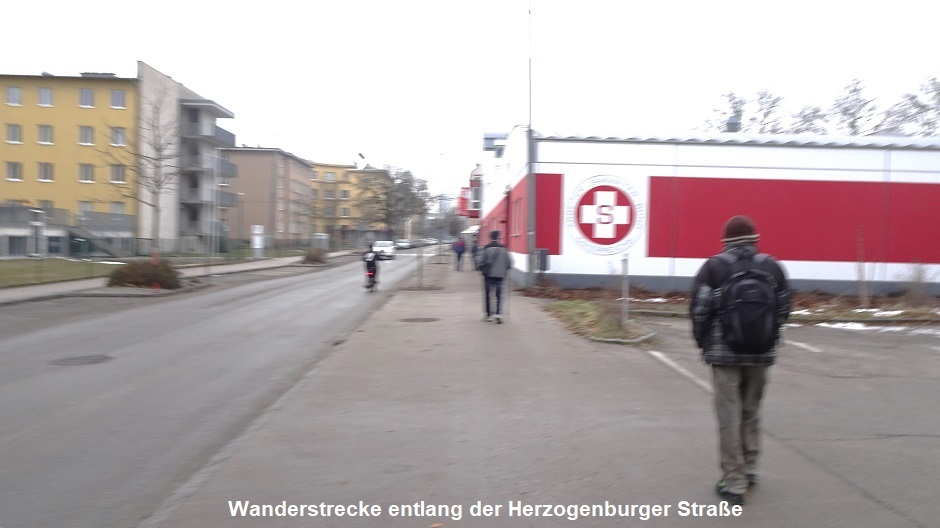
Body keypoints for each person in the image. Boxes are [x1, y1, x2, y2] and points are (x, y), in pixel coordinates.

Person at [690, 215, 790, 506]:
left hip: (724, 355)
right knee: (751, 412)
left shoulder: (714, 267)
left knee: (729, 417)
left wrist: (704, 342)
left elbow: (700, 310)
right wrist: (765, 336)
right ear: (755, 238)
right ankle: (750, 469)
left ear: (725, 240)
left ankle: (733, 483)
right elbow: (784, 309)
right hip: (761, 354)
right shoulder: (772, 267)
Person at [477, 230, 513, 323]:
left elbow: (480, 261)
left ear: (490, 237)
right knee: (499, 295)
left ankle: (488, 315)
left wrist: (482, 269)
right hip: (500, 276)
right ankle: (498, 314)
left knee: (488, 295)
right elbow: (509, 263)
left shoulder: (486, 248)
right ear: (498, 237)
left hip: (488, 275)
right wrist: (504, 270)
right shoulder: (504, 248)